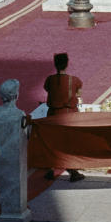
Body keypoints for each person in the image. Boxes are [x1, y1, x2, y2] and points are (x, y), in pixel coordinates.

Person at [43, 52, 85, 182]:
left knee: (52, 141)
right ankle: (73, 171)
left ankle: (50, 169)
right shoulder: (75, 80)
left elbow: (47, 89)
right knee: (69, 143)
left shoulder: (50, 80)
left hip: (53, 114)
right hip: (69, 115)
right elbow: (78, 93)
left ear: (55, 64)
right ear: (67, 64)